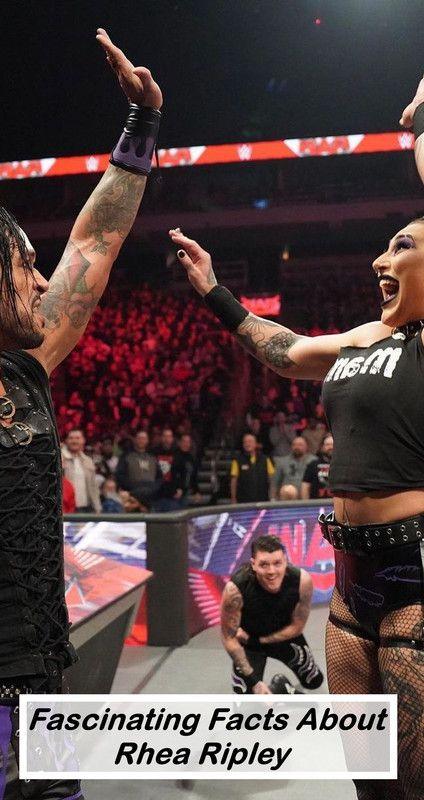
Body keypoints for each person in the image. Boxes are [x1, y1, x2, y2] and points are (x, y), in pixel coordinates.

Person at [169, 77, 424, 797]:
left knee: (415, 775)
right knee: (367, 775)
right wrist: (216, 291)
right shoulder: (362, 338)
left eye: (401, 246)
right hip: (351, 579)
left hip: (415, 572)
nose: (380, 261)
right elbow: (281, 350)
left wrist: (421, 125)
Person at [0, 28, 162, 799]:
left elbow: (94, 244)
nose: (41, 282)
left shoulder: (24, 375)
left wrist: (142, 126)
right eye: (24, 264)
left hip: (42, 687)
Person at [220, 535, 323, 694]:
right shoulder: (236, 588)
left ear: (285, 561)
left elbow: (297, 627)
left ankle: (281, 686)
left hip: (284, 637)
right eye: (264, 565)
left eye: (277, 563)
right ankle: (279, 689)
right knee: (245, 694)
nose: (271, 571)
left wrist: (259, 640)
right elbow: (229, 638)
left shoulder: (302, 581)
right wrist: (255, 682)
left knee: (314, 681)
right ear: (253, 564)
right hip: (250, 644)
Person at [115, 429, 162, 508]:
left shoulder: (153, 457)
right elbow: (120, 475)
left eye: (144, 438)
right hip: (133, 494)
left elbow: (159, 477)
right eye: (139, 438)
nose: (141, 441)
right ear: (135, 440)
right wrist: (131, 487)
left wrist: (154, 488)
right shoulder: (126, 456)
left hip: (152, 494)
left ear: (147, 441)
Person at [61, 428, 101, 512]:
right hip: (66, 508)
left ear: (83, 440)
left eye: (77, 438)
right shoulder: (60, 458)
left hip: (86, 508)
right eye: (71, 438)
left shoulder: (88, 461)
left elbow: (93, 487)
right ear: (66, 441)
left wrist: (97, 508)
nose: (74, 441)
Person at [230, 432, 275, 503]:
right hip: (243, 501)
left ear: (255, 444)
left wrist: (272, 497)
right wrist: (233, 498)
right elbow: (234, 481)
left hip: (263, 500)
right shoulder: (237, 460)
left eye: (250, 441)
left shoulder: (265, 459)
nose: (247, 444)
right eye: (245, 442)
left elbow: (271, 479)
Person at [273, 436, 314, 500]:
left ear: (307, 447)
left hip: (308, 499)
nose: (296, 447)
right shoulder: (282, 462)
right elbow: (275, 483)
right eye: (294, 445)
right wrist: (273, 499)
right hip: (286, 499)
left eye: (300, 445)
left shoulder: (313, 461)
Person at [301, 433, 334, 500]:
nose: (330, 447)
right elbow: (305, 486)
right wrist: (306, 504)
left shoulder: (343, 465)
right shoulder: (313, 464)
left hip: (337, 502)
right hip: (316, 503)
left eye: (332, 444)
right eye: (327, 445)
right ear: (322, 447)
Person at [173, 433, 201, 507]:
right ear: (179, 443)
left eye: (188, 442)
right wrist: (176, 488)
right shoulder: (174, 456)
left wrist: (196, 491)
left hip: (186, 491)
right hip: (175, 491)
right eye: (184, 441)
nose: (186, 444)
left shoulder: (192, 459)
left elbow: (194, 476)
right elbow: (173, 474)